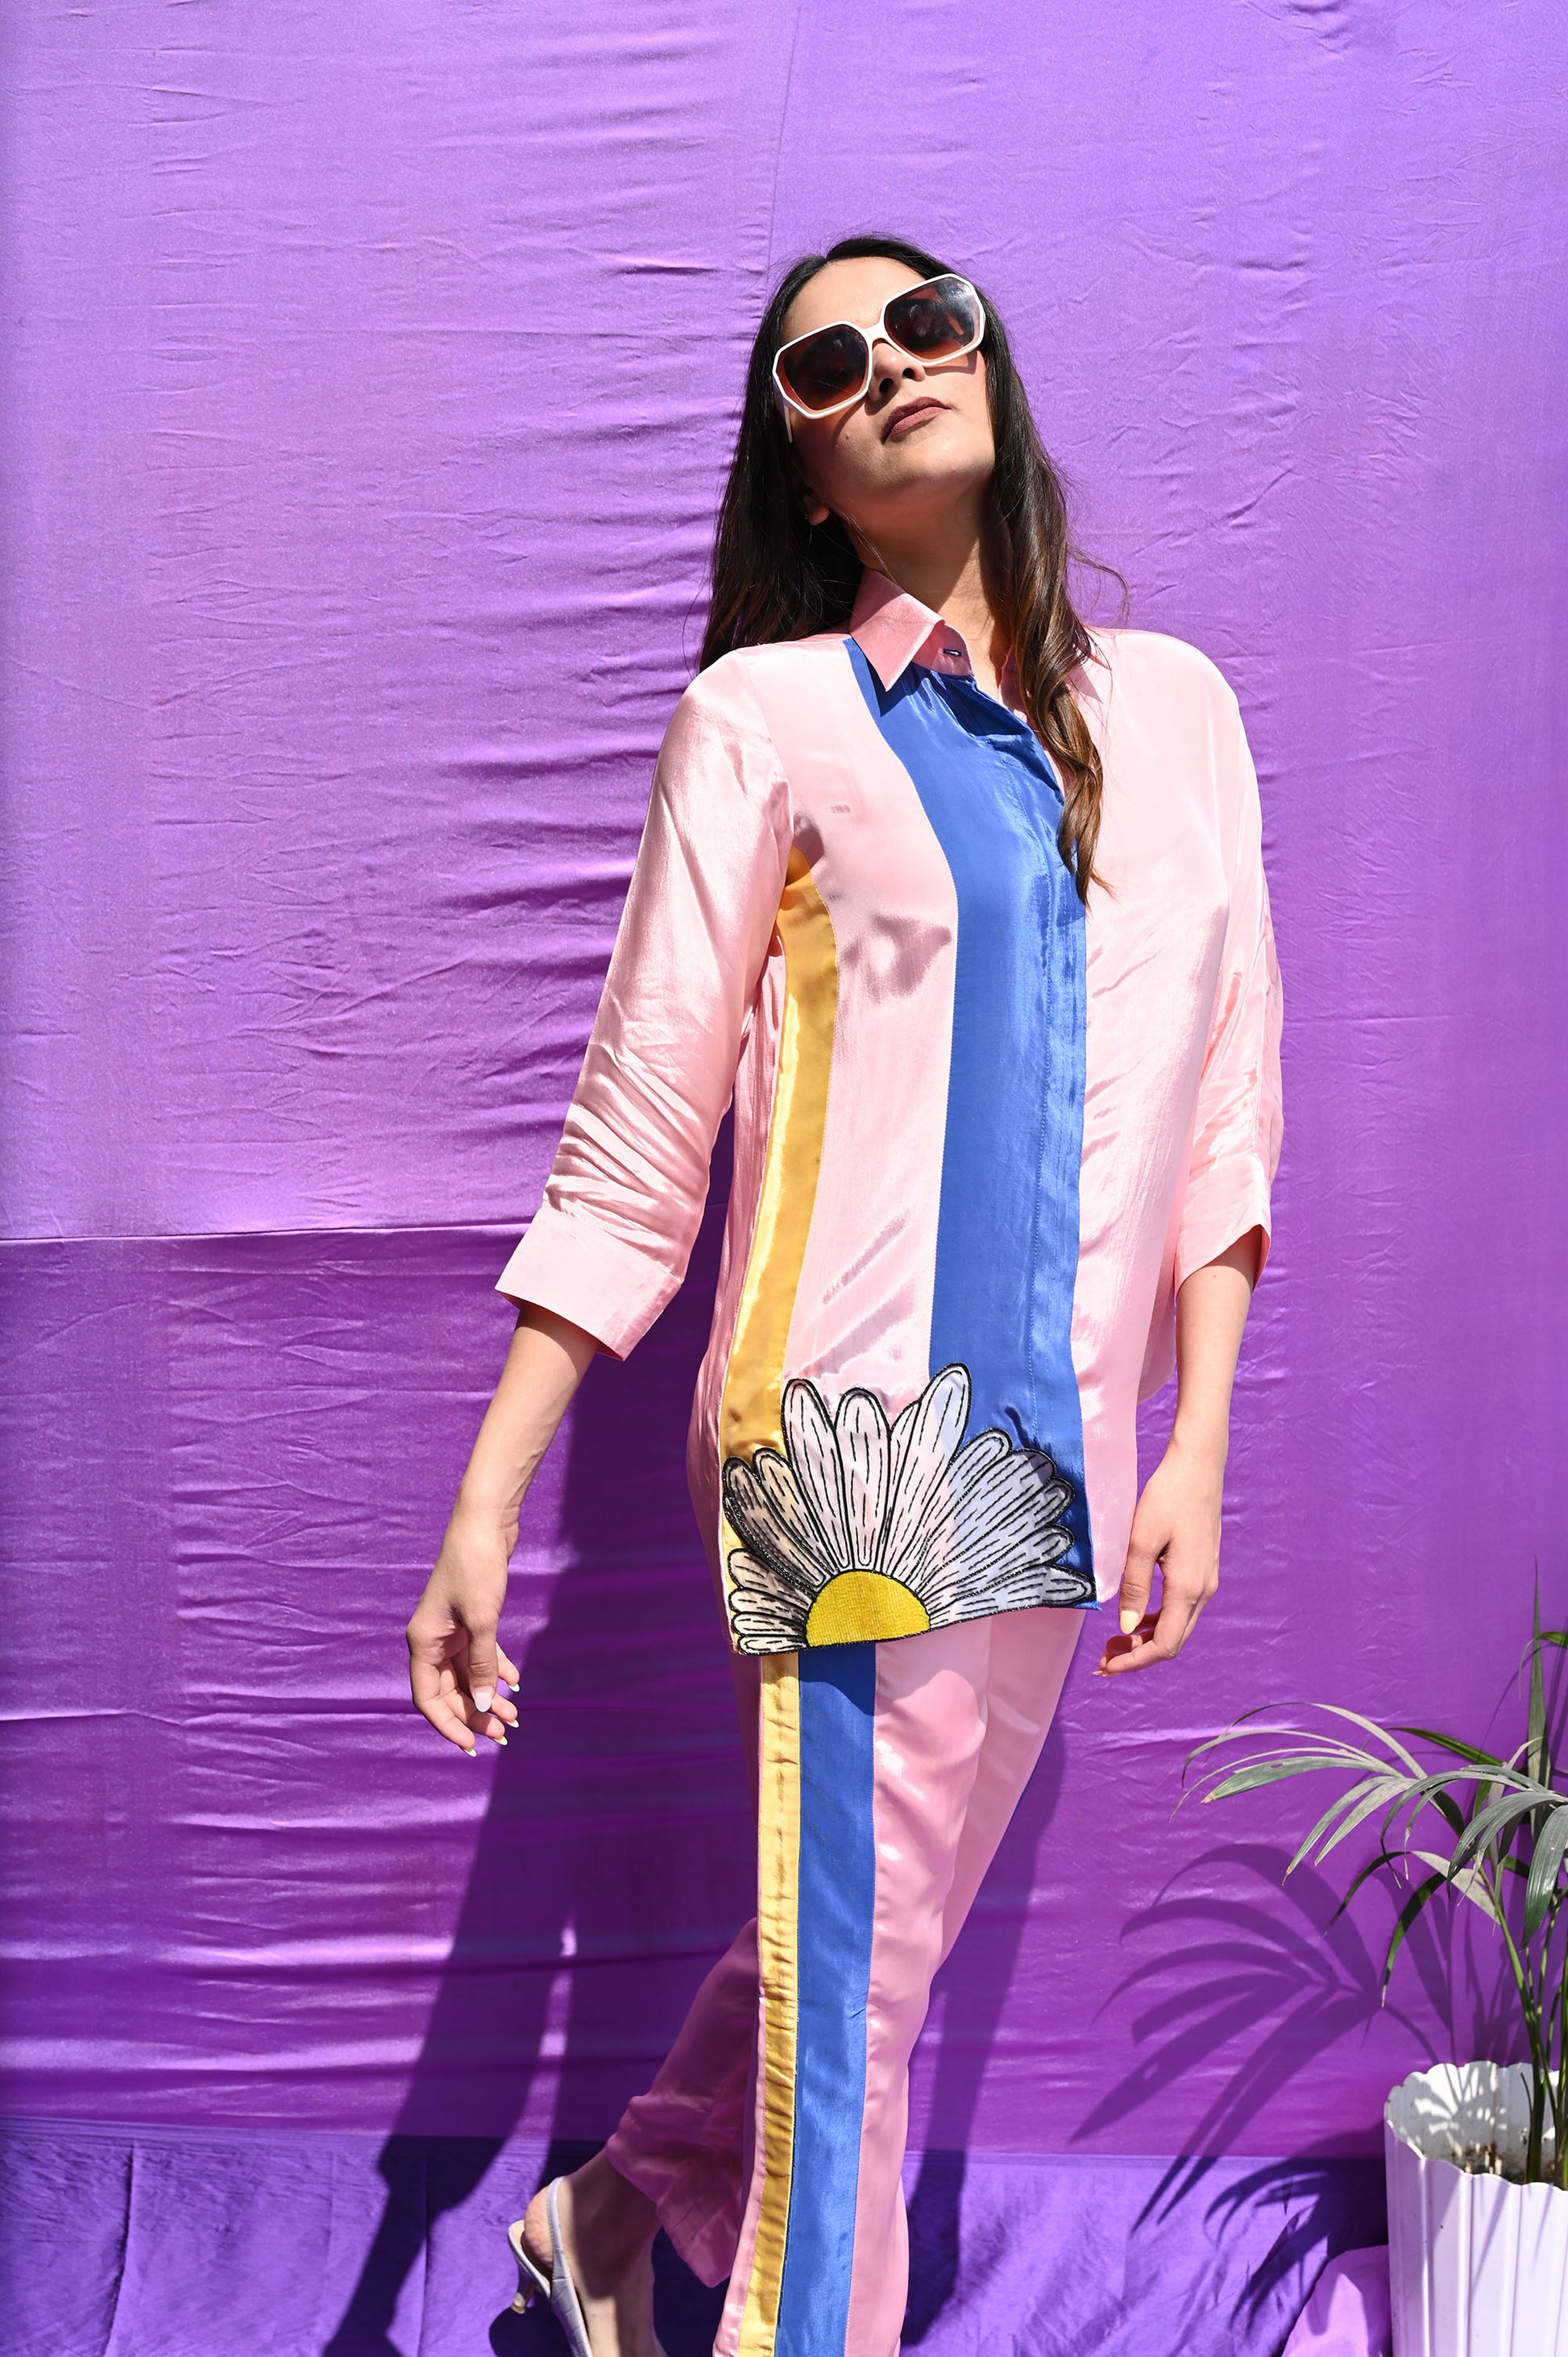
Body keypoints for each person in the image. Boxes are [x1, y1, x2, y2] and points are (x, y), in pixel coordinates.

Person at [406, 233, 1284, 2357]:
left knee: (857, 1968)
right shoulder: (768, 716)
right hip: (848, 1448)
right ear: (801, 474)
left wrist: (1197, 1441)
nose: (889, 364)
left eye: (926, 320)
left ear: (990, 355)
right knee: (856, 2015)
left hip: (1066, 1455)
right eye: (826, 363)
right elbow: (642, 1124)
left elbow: (1226, 1101)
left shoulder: (1178, 712)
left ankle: (611, 2220)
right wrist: (487, 1496)